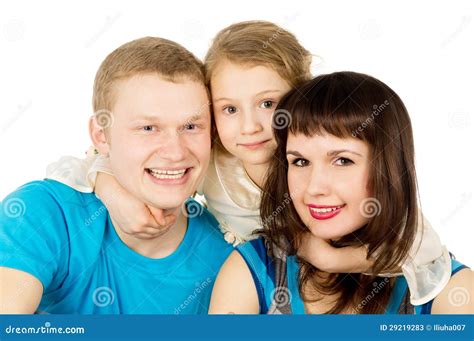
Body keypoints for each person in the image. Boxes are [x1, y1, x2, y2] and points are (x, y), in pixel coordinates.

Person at [46, 21, 450, 305]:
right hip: (257, 287)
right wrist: (114, 194)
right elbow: (90, 159)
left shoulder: (320, 169)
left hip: (352, 287)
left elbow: (422, 243)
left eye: (269, 104)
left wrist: (327, 256)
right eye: (229, 109)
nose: (251, 126)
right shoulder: (211, 160)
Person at [0, 37, 232, 314]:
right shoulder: (43, 213)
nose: (175, 152)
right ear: (101, 136)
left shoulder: (226, 256)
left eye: (191, 126)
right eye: (148, 128)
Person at [209, 71, 473, 314]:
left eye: (343, 161)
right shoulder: (252, 271)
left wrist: (335, 259)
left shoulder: (449, 292)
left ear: (388, 167)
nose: (314, 188)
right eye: (300, 161)